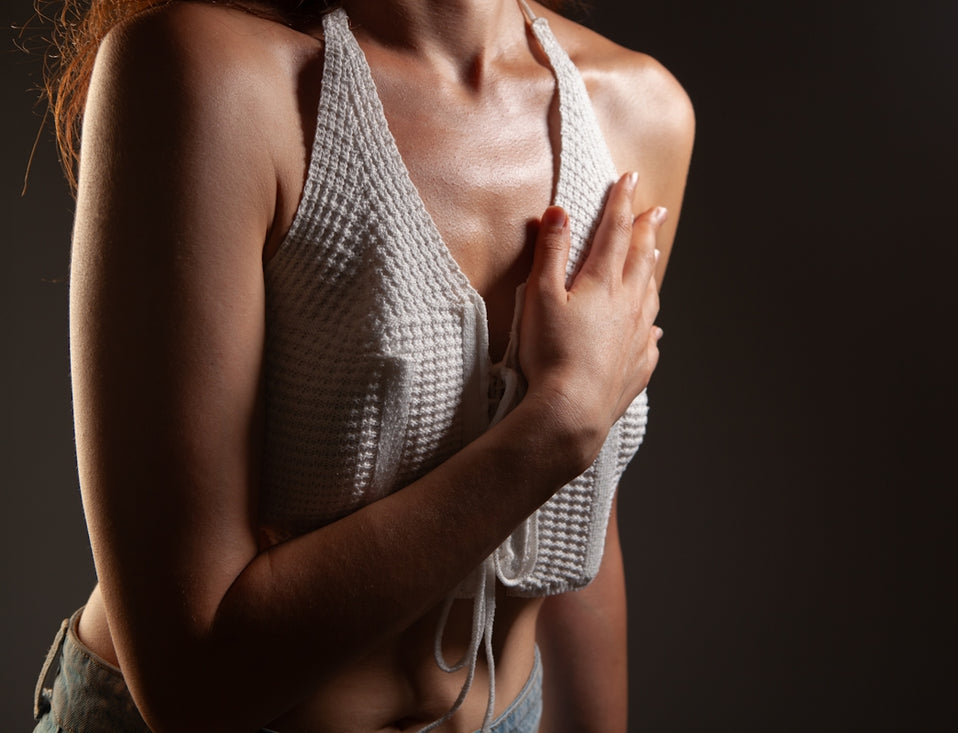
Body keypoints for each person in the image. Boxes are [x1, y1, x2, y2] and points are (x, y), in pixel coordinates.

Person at [31, 0, 693, 730]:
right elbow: (192, 680)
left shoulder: (640, 113)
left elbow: (581, 518)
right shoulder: (213, 75)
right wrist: (554, 428)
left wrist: (573, 438)